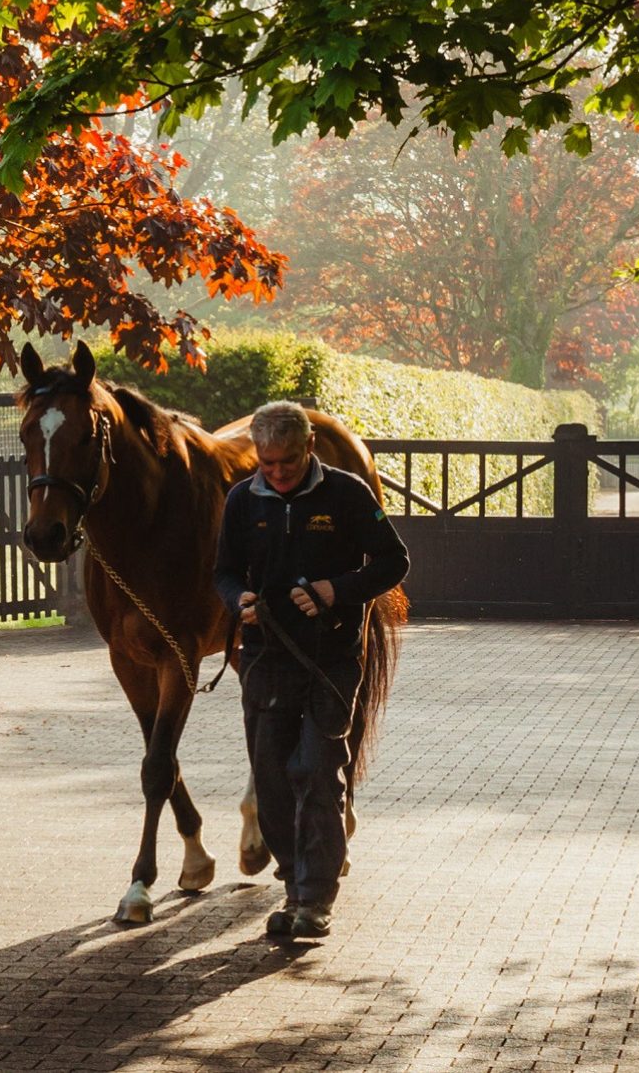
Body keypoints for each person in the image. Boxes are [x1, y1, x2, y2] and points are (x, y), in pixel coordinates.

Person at [213, 401, 409, 940]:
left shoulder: (347, 494)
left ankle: (317, 898)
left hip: (331, 659)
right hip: (265, 660)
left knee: (318, 773)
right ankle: (294, 889)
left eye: (288, 463)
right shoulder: (240, 501)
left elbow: (395, 562)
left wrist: (335, 591)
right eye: (267, 463)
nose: (276, 474)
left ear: (310, 450)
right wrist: (238, 601)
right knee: (273, 780)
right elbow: (224, 572)